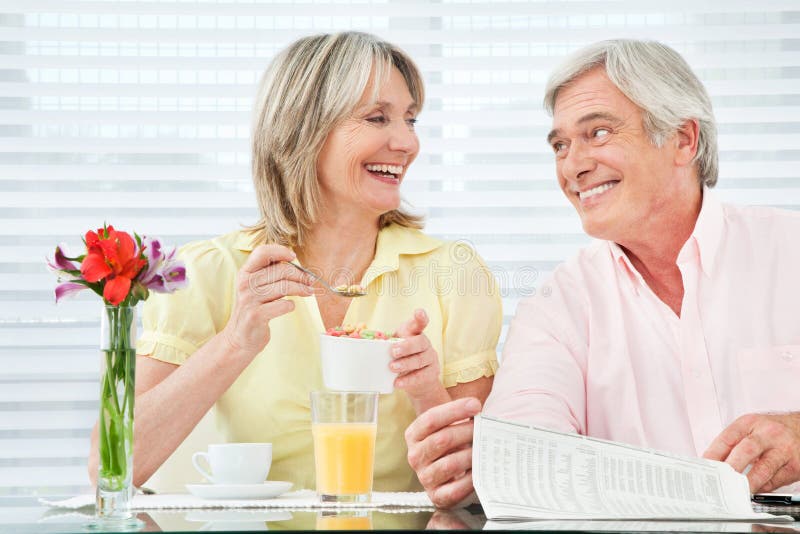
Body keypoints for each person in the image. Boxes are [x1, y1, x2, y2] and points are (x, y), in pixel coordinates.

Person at [87, 31, 501, 492]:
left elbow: (474, 489)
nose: (406, 143)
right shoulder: (207, 271)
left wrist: (426, 392)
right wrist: (235, 342)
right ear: (304, 129)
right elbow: (112, 469)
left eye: (410, 120)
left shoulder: (456, 274)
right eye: (377, 117)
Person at [405, 39, 800, 508]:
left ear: (683, 139)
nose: (573, 165)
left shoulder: (788, 250)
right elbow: (522, 448)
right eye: (560, 145)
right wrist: (479, 464)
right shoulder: (559, 306)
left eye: (598, 134)